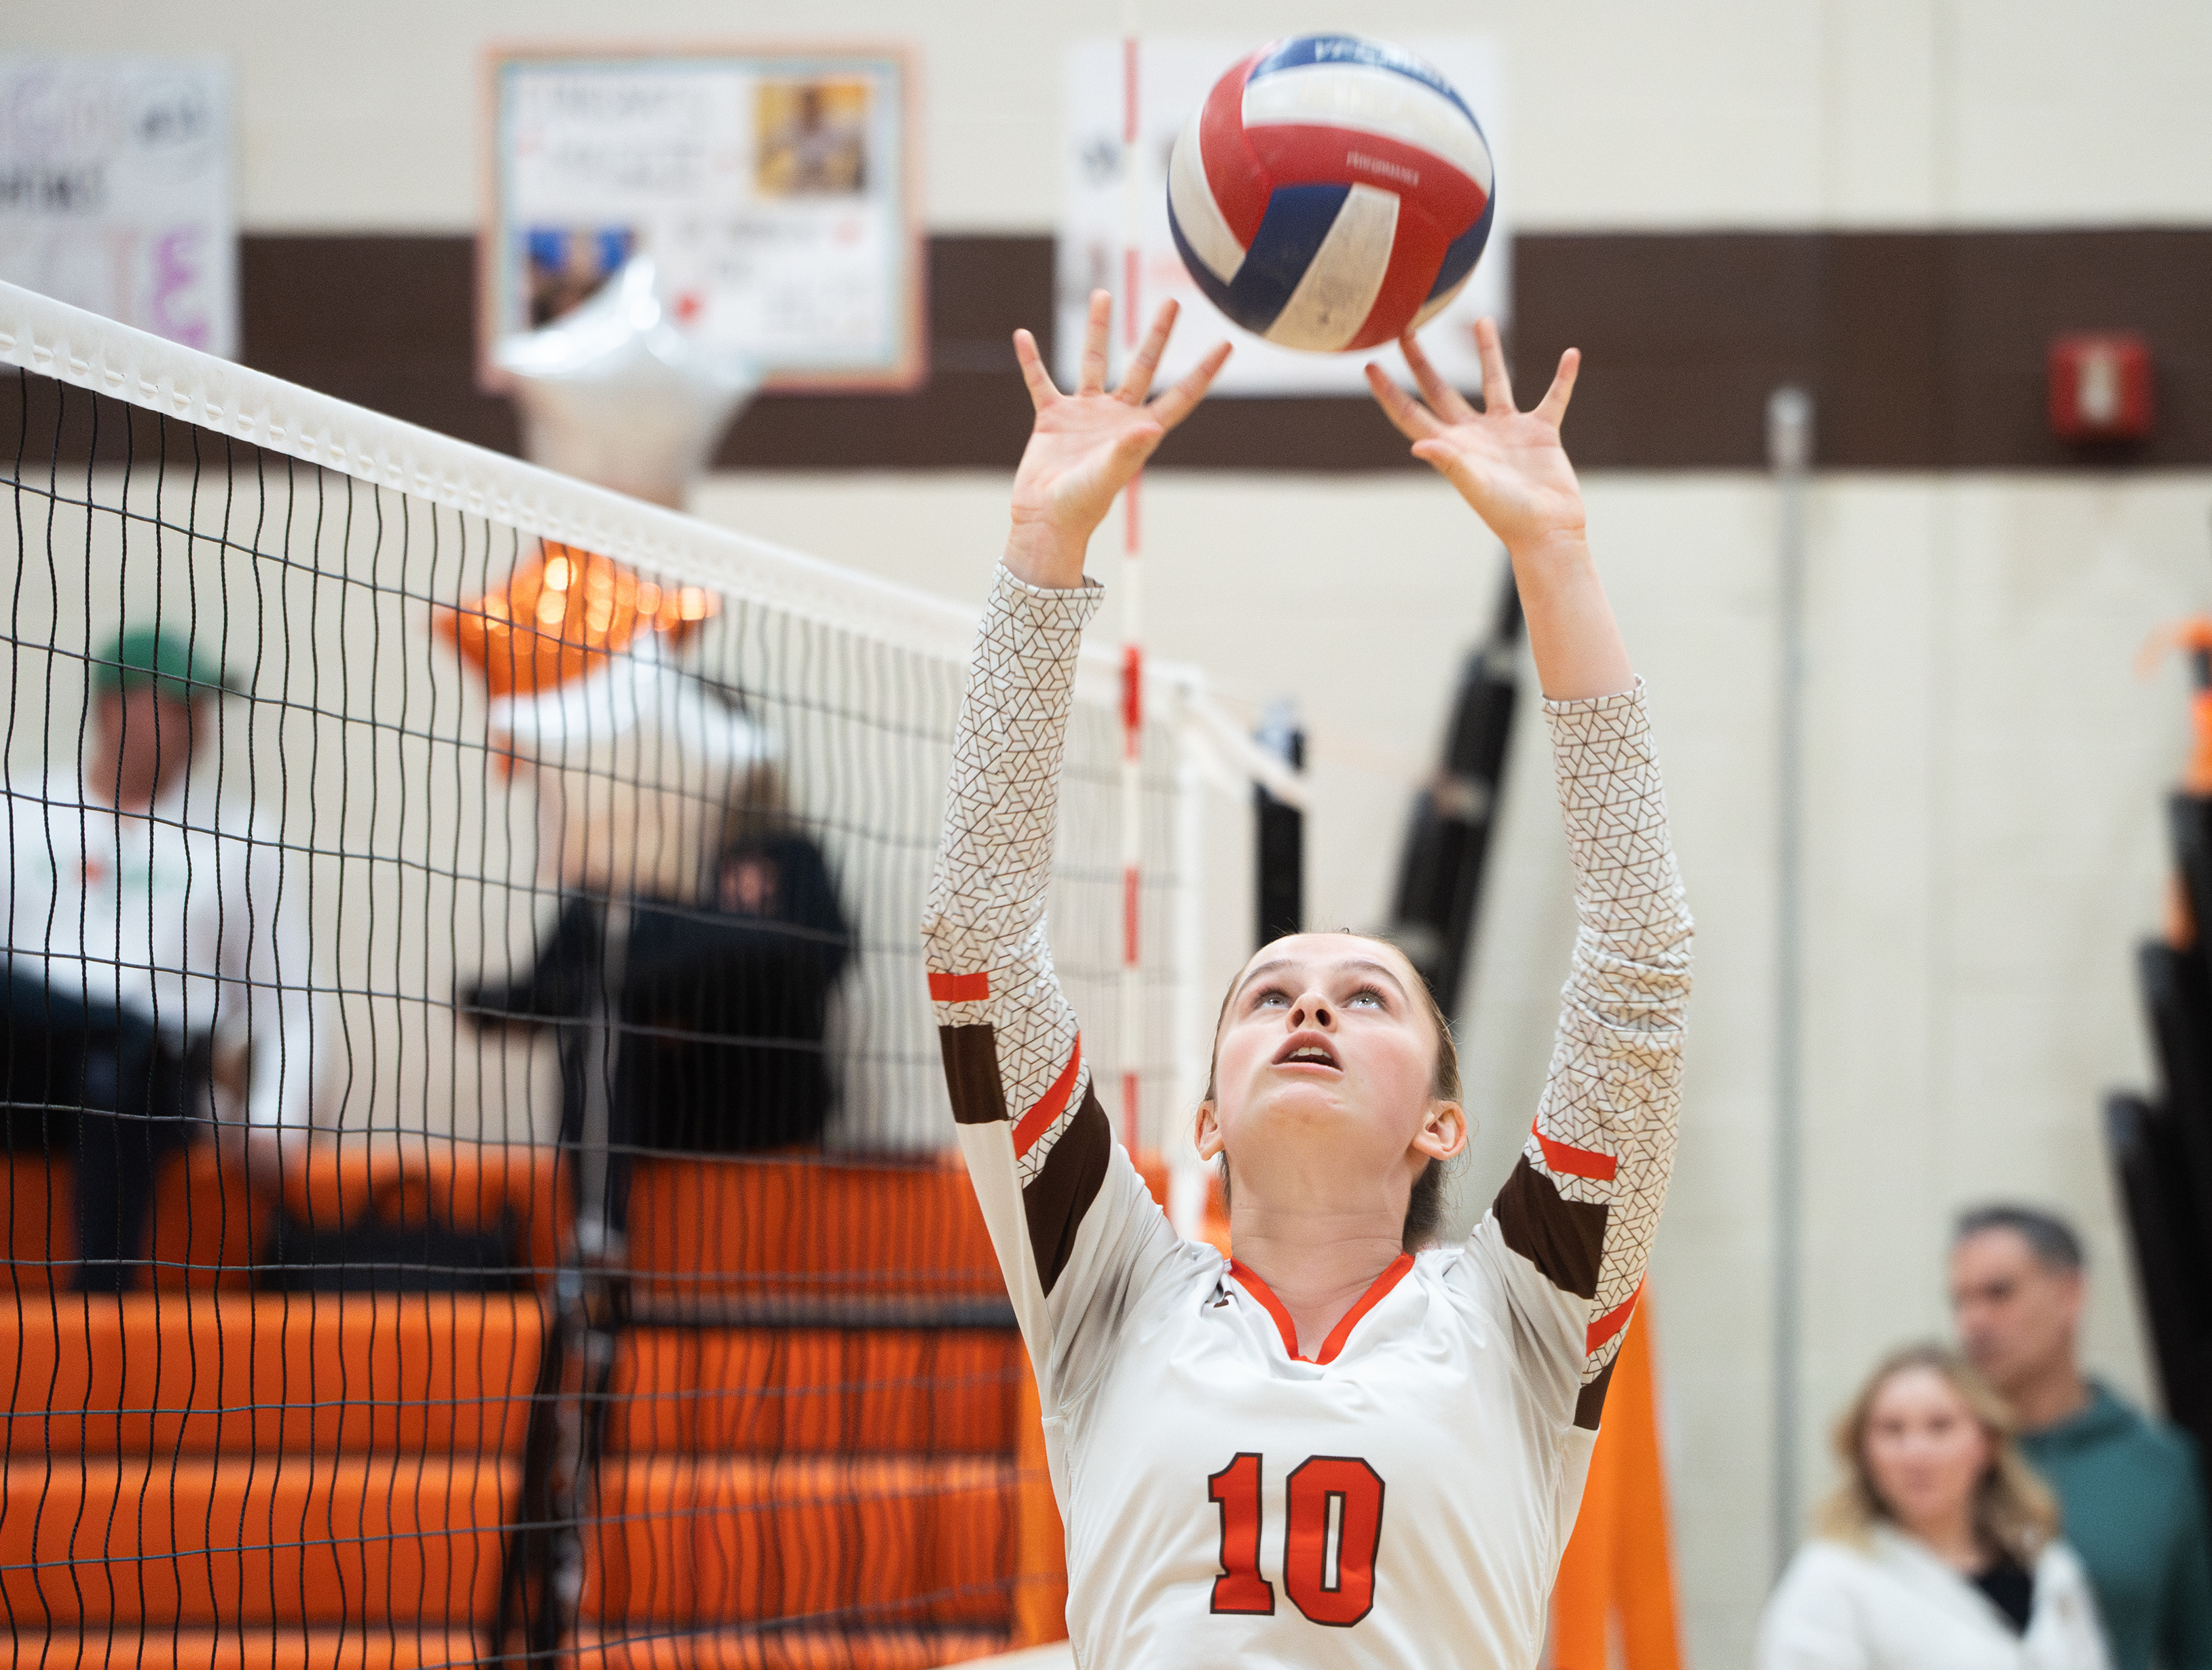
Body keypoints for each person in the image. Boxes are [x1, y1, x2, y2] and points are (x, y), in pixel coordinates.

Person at [922, 290, 1690, 1666]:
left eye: (1368, 996)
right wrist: (1044, 544)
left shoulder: (1526, 1314)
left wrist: (1556, 559)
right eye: (1268, 996)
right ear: (1207, 1120)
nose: (1312, 1006)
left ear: (1443, 1122)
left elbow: (1640, 964)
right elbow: (976, 941)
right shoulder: (1112, 1291)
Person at [0, 628, 322, 1290]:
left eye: (200, 710)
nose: (197, 727)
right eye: (178, 706)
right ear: (111, 708)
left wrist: (274, 1122)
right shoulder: (21, 813)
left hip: (154, 1088)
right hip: (29, 1070)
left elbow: (291, 1006)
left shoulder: (238, 840)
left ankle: (98, 1307)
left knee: (117, 1070)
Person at [460, 758, 855, 1250]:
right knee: (601, 1014)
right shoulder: (622, 872)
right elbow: (561, 977)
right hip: (658, 1101)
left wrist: (644, 984)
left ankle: (600, 1235)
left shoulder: (785, 855)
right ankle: (599, 1239)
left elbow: (819, 957)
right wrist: (522, 999)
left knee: (608, 996)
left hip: (758, 1094)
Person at [1951, 1204, 2212, 1670]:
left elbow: (2203, 1648)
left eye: (1998, 1293)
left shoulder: (2160, 1465)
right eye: (1960, 1301)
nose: (1973, 1322)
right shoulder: (1938, 1461)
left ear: (2070, 1294)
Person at [1758, 1345, 2113, 1670]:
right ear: (1864, 1452)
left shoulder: (2048, 1565)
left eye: (1940, 1427)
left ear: (1987, 1442)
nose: (1916, 1454)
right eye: (1892, 1430)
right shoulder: (1831, 1580)